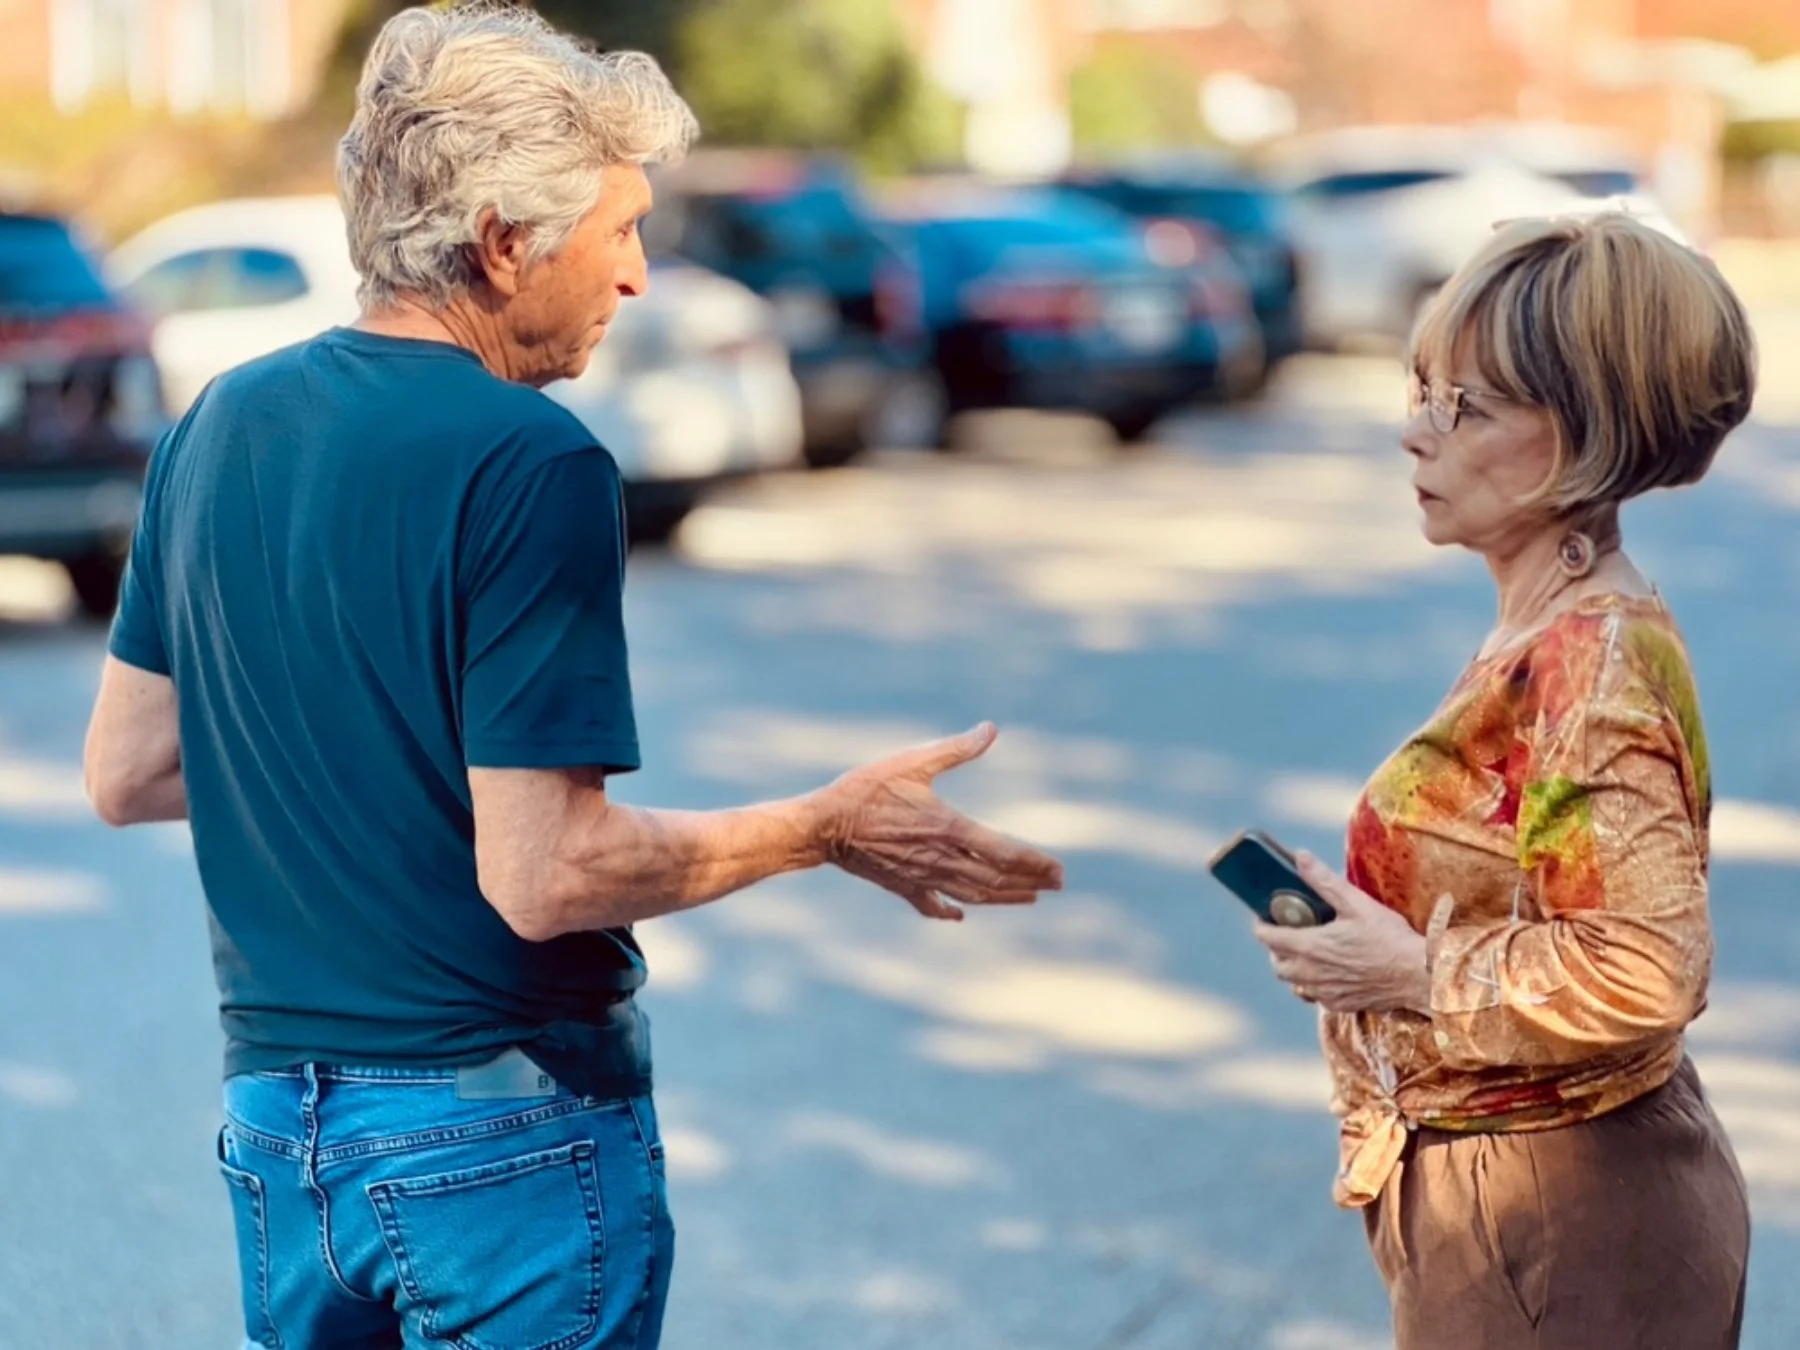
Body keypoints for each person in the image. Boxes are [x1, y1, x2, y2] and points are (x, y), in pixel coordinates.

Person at [80, 6, 1063, 1349]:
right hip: (497, 1132)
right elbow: (548, 872)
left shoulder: (215, 423)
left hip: (280, 1131)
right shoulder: (529, 459)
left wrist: (352, 767)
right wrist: (821, 827)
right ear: (502, 241)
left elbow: (128, 770)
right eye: (620, 230)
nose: (640, 274)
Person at [1253, 210, 1756, 1349]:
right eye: (1422, 390)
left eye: (1464, 406)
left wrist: (1413, 968)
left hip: (1559, 1218)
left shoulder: (1594, 663)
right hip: (1517, 1201)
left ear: (1583, 436)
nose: (1415, 434)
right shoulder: (1547, 626)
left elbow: (1648, 966)